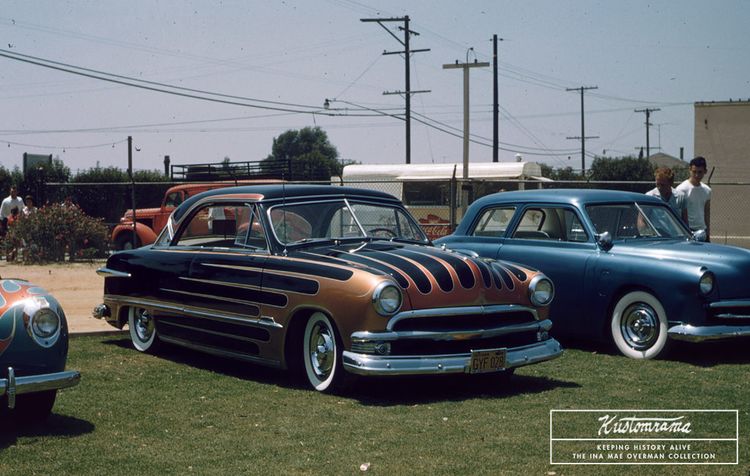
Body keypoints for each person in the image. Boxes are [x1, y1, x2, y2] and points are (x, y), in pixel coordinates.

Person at [676, 156, 711, 241]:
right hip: (687, 231)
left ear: (705, 172)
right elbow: (677, 213)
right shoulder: (681, 189)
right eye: (694, 171)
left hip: (702, 231)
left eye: (700, 172)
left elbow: (706, 212)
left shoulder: (707, 190)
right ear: (689, 170)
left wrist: (708, 232)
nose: (697, 175)